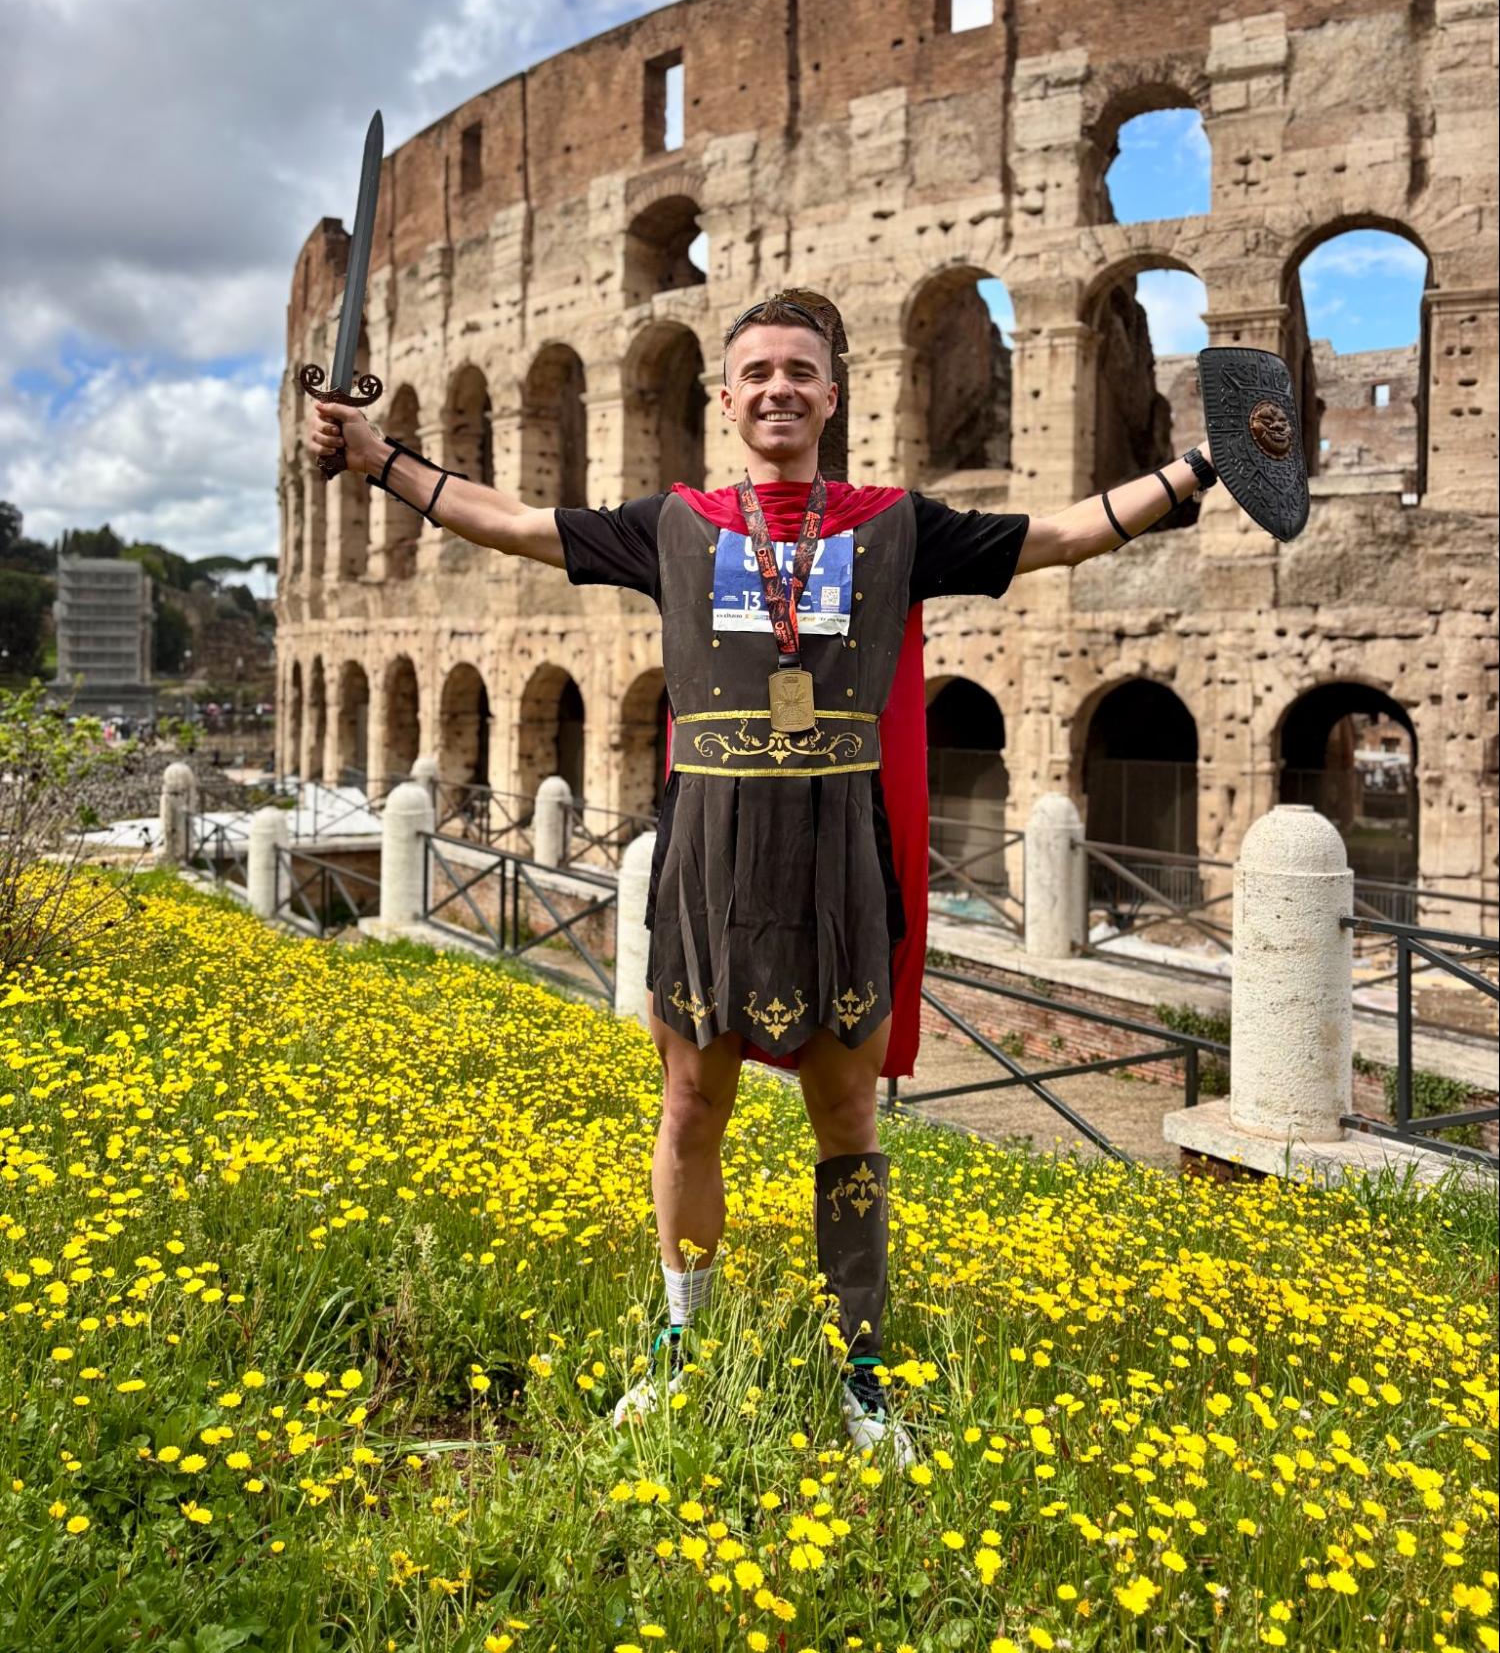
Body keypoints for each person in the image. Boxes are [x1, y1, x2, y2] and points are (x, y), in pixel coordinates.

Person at [308, 289, 1218, 1460]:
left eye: (801, 370)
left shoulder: (894, 524)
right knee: (692, 1106)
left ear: (834, 394)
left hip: (843, 856)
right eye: (758, 372)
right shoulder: (673, 522)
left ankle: (864, 1372)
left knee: (846, 1119)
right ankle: (681, 1348)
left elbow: (1054, 535)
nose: (779, 387)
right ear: (723, 397)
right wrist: (382, 459)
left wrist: (1198, 469)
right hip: (707, 852)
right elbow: (520, 522)